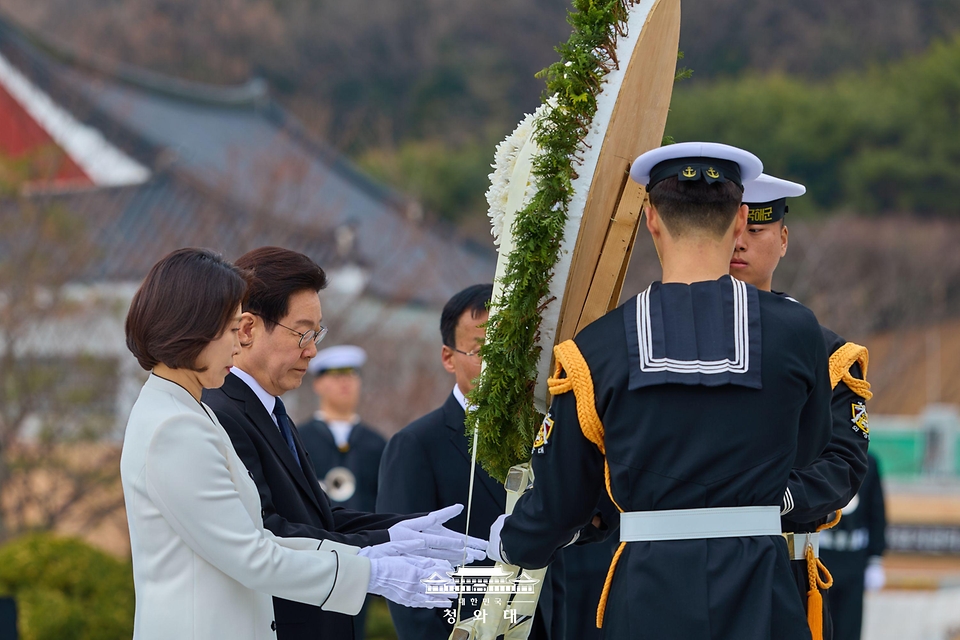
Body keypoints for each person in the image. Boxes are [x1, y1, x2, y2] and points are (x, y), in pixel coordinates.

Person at [488, 142, 834, 639]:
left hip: (649, 591)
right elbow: (810, 450)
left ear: (650, 218)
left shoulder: (595, 349)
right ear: (739, 220)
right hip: (761, 587)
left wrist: (513, 543)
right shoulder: (797, 332)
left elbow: (563, 501)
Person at [121, 248, 453, 640]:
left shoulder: (187, 410)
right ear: (193, 329)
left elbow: (266, 538)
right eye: (231, 330)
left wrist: (384, 544)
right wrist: (371, 570)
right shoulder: (175, 427)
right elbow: (253, 555)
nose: (236, 345)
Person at [200, 246, 486, 640]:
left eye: (317, 333)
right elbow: (270, 531)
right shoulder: (222, 412)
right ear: (248, 329)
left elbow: (318, 517)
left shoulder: (268, 410)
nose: (312, 349)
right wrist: (378, 556)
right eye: (302, 333)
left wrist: (401, 532)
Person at [377, 284, 566, 640]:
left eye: (507, 349)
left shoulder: (551, 433)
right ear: (448, 357)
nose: (497, 363)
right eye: (481, 350)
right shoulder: (417, 445)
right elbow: (404, 567)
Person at [733, 173, 873, 639]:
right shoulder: (658, 339)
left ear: (783, 239)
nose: (741, 244)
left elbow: (844, 464)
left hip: (784, 566)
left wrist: (778, 497)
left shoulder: (828, 354)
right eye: (730, 230)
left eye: (756, 231)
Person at [299, 345, 387, 638]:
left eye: (351, 375)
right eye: (335, 376)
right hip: (312, 558)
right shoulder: (299, 437)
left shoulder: (377, 443)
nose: (345, 382)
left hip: (359, 558)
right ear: (319, 383)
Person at [819, 453, 886, 640]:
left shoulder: (869, 461)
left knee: (850, 626)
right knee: (819, 624)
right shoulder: (818, 456)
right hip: (821, 555)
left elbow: (876, 510)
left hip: (854, 557)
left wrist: (875, 559)